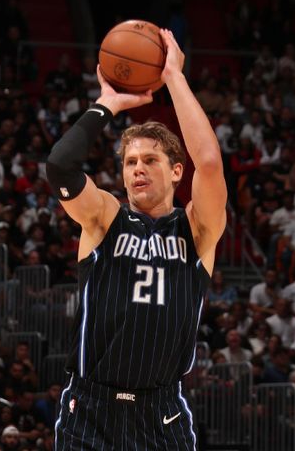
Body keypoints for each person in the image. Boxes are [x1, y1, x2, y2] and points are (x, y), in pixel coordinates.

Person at [45, 29, 227, 450]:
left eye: (150, 160)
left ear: (177, 171)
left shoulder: (197, 230)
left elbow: (211, 162)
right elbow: (59, 166)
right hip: (90, 410)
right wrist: (106, 104)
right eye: (129, 162)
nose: (137, 169)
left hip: (161, 414)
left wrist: (174, 77)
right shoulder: (105, 217)